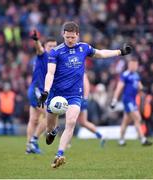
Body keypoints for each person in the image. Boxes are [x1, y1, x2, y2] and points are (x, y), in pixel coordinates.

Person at [38, 21, 132, 168]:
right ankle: (53, 131)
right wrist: (46, 91)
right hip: (56, 95)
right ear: (63, 34)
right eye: (67, 37)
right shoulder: (55, 52)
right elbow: (50, 73)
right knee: (49, 128)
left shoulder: (84, 48)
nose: (70, 40)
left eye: (72, 37)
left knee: (71, 122)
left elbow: (101, 53)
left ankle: (60, 154)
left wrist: (120, 52)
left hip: (75, 94)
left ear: (78, 35)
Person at [26, 30, 57, 154]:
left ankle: (29, 147)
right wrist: (36, 40)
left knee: (33, 119)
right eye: (50, 46)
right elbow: (38, 48)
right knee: (48, 114)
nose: (53, 48)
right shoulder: (43, 54)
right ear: (45, 46)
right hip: (36, 91)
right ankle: (34, 140)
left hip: (38, 90)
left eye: (55, 46)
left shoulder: (55, 57)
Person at [110, 58, 152, 146]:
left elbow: (139, 86)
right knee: (138, 118)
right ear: (129, 65)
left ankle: (121, 140)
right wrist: (114, 100)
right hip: (128, 100)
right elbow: (119, 88)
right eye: (133, 64)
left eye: (136, 65)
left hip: (133, 100)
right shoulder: (125, 75)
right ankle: (143, 139)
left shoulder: (136, 75)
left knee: (125, 121)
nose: (135, 66)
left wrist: (143, 89)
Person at [77, 73, 106, 146]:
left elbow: (86, 85)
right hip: (80, 99)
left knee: (71, 121)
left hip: (78, 99)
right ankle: (100, 135)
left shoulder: (81, 72)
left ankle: (67, 144)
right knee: (83, 122)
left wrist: (85, 99)